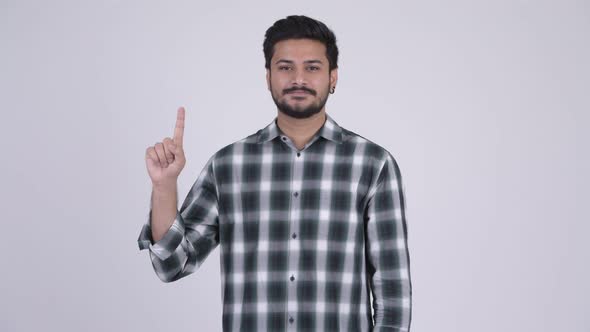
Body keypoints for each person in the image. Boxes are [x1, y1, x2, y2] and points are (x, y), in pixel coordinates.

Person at [138, 14, 412, 332]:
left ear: (333, 77)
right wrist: (164, 186)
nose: (298, 79)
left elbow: (393, 297)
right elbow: (171, 265)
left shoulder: (374, 165)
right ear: (268, 77)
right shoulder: (228, 166)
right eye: (285, 67)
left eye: (312, 67)